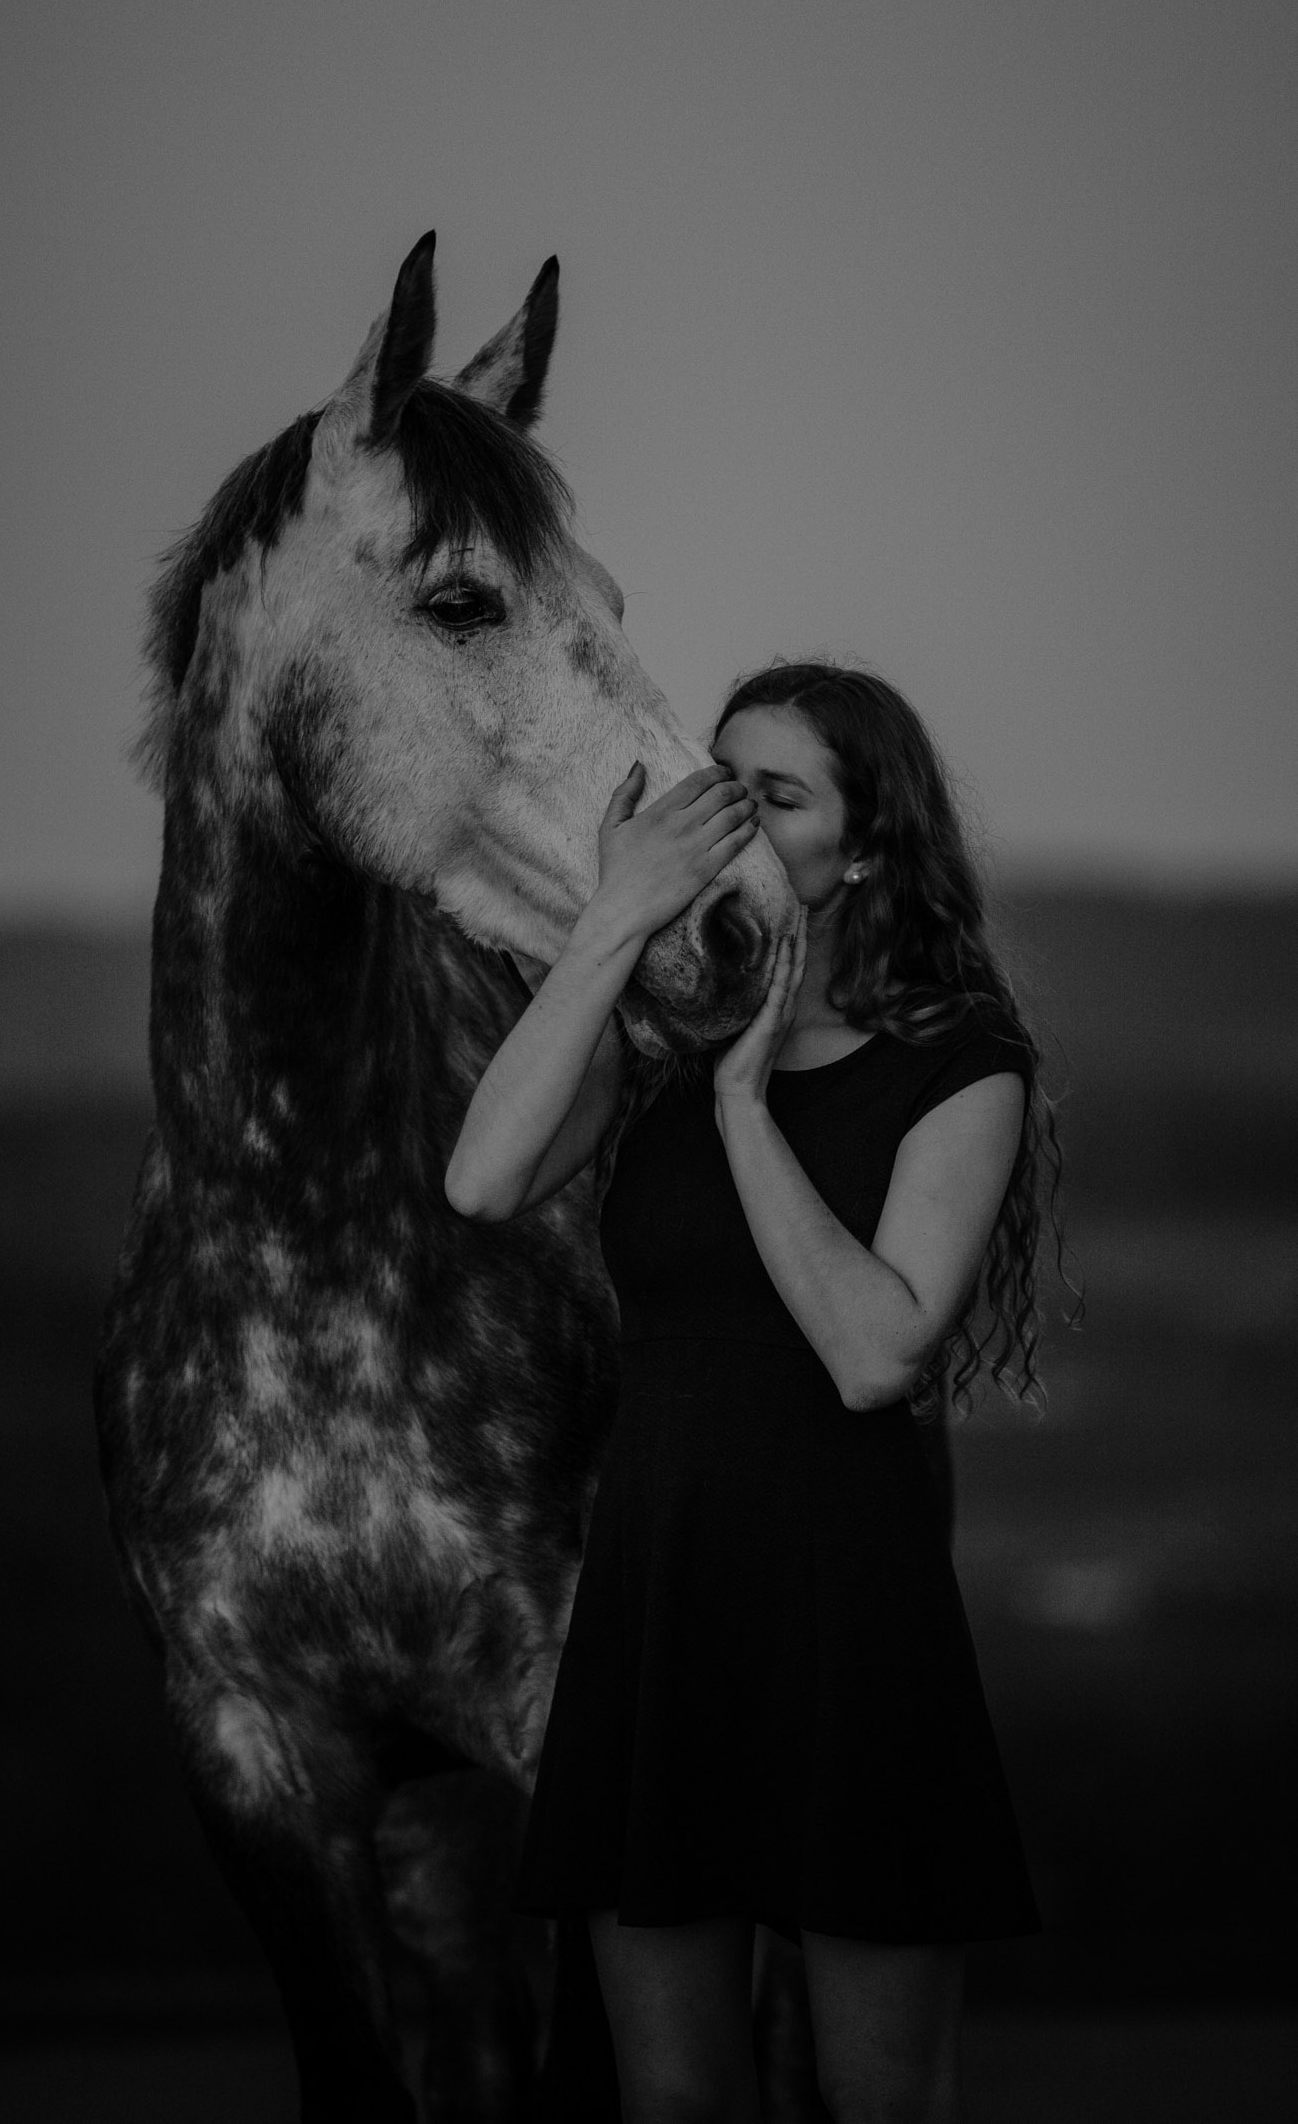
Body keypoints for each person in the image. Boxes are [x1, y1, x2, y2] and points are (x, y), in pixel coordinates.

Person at [446, 660, 1054, 2124]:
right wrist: (612, 922)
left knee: (879, 2098)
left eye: (770, 796)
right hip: (661, 1603)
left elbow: (874, 1349)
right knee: (673, 2099)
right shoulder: (658, 1042)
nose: (722, 821)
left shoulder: (964, 1067)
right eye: (707, 789)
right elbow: (483, 1178)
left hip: (855, 1615)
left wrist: (745, 1108)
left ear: (865, 844)